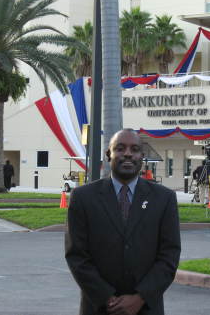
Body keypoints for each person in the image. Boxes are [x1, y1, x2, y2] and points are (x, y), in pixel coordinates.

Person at [65, 129, 181, 315]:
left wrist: (140, 298)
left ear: (142, 157)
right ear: (108, 154)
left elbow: (169, 255)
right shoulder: (83, 197)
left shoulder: (164, 198)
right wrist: (107, 299)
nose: (128, 153)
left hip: (146, 308)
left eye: (134, 149)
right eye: (120, 148)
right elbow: (77, 256)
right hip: (98, 308)